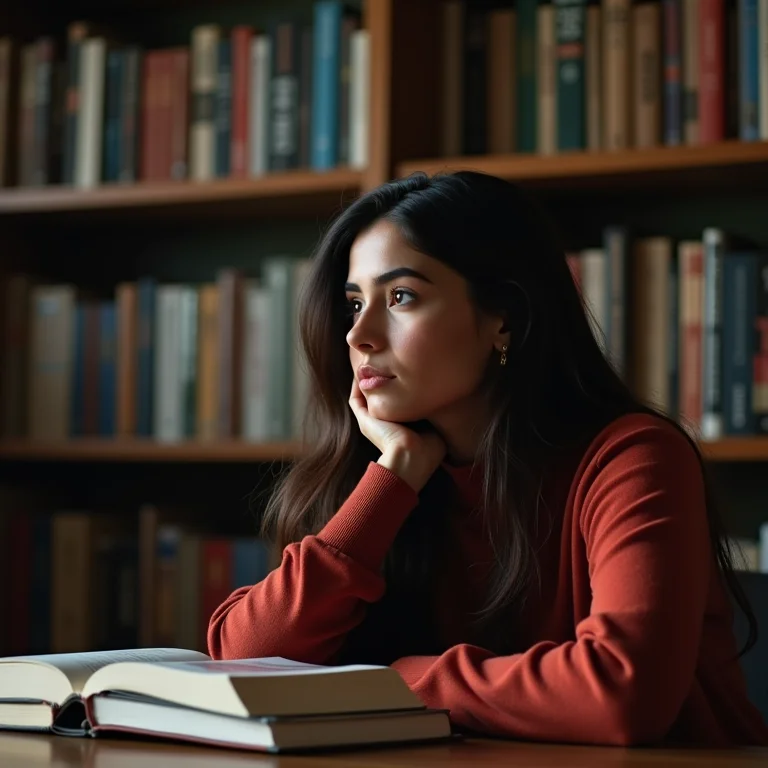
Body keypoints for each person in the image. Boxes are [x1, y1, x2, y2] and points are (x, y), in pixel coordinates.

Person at [207, 171, 768, 748]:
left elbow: (623, 692)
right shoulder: (389, 477)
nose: (360, 335)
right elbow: (243, 659)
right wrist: (393, 477)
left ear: (503, 317)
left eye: (401, 297)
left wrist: (396, 680)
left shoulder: (633, 458)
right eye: (354, 303)